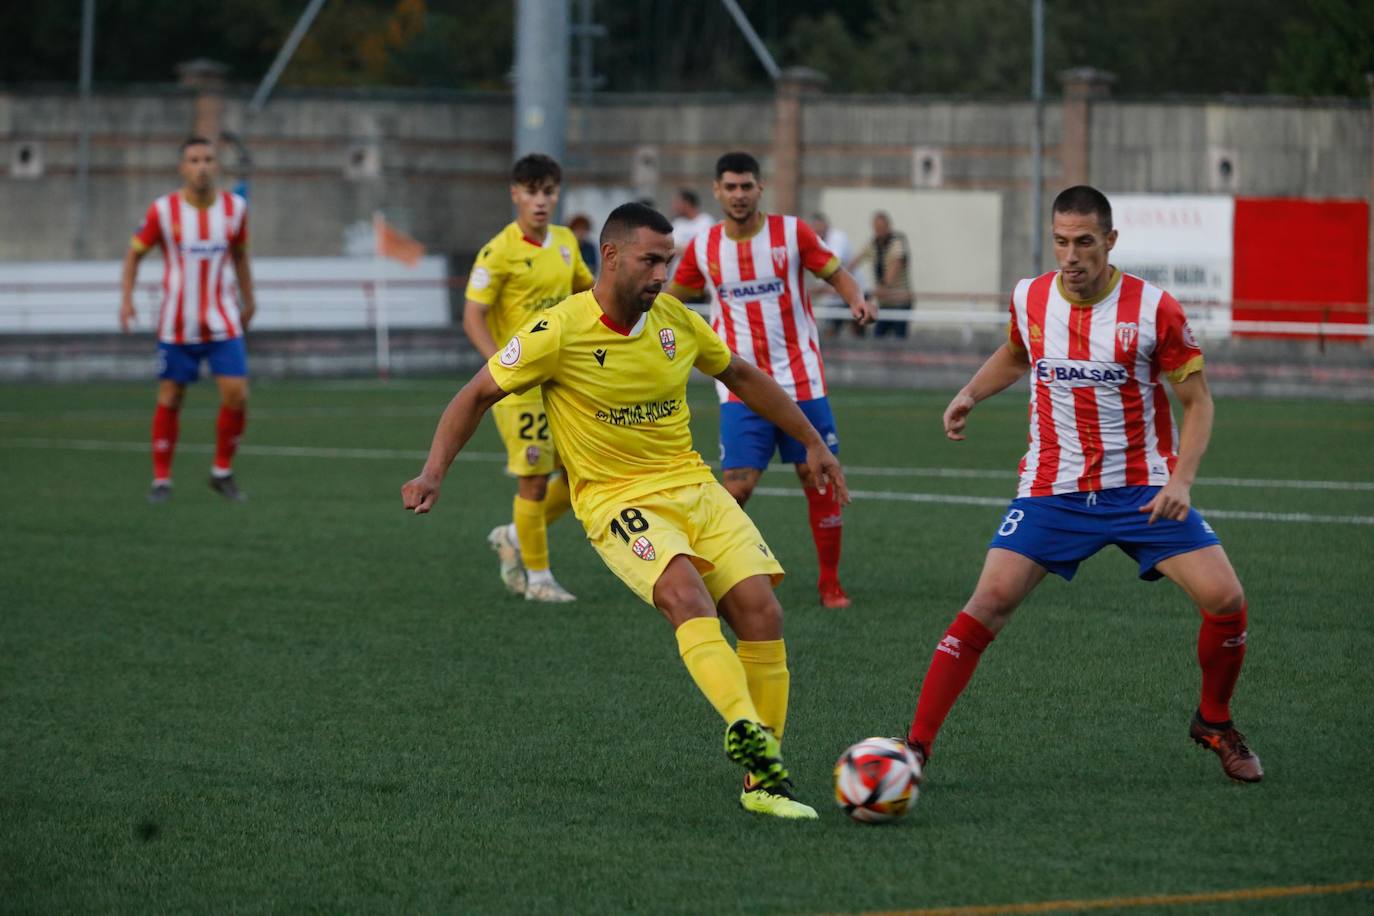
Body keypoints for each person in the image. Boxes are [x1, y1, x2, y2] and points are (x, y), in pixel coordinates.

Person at [404, 203, 847, 819]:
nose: (663, 274)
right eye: (651, 260)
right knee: (685, 597)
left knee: (762, 612)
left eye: (667, 260)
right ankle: (746, 727)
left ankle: (762, 784)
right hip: (618, 500)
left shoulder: (674, 321)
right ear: (610, 257)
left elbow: (743, 375)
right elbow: (476, 393)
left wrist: (814, 443)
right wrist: (433, 471)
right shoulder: (557, 330)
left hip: (694, 488)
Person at [902, 185, 1261, 784]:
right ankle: (914, 747)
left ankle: (1214, 722)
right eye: (1062, 242)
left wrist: (1182, 479)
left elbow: (1197, 403)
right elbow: (1018, 354)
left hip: (1141, 489)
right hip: (1053, 488)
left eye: (1085, 242)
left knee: (1226, 600)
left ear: (1110, 241)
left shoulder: (1155, 310)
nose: (1071, 255)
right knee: (986, 604)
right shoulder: (1031, 296)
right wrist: (970, 393)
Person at [669, 152, 876, 609]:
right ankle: (711, 572)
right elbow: (668, 299)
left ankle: (830, 584)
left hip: (802, 380)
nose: (739, 195)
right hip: (739, 385)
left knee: (816, 476)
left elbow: (836, 273)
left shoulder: (792, 233)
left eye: (747, 186)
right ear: (717, 191)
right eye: (731, 187)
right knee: (737, 486)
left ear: (760, 189)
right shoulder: (704, 248)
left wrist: (857, 300)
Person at [463, 154, 595, 603]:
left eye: (549, 192)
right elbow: (473, 316)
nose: (541, 202)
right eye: (532, 192)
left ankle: (515, 536)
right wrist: (499, 363)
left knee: (581, 475)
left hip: (564, 382)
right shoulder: (499, 251)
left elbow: (587, 294)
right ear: (515, 194)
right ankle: (538, 580)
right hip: (521, 388)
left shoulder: (564, 241)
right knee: (534, 480)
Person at [119, 136, 256, 503]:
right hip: (177, 323)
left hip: (223, 320)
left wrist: (250, 298)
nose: (202, 166)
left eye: (208, 159)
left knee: (237, 394)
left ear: (217, 165)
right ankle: (161, 479)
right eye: (194, 159)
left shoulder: (235, 208)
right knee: (171, 396)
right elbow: (134, 255)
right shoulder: (163, 211)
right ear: (182, 167)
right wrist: (126, 300)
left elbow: (241, 256)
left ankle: (222, 471)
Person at [849, 211, 912, 338]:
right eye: (876, 229)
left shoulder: (897, 241)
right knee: (878, 337)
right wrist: (837, 277)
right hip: (884, 302)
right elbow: (856, 260)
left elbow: (897, 263)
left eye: (882, 228)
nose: (879, 232)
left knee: (899, 340)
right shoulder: (873, 244)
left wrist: (883, 286)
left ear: (888, 227)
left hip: (900, 301)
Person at [807, 213, 856, 336]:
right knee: (830, 331)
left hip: (852, 291)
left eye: (817, 227)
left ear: (825, 225)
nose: (816, 231)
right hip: (834, 297)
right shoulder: (817, 240)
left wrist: (819, 289)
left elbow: (832, 266)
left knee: (857, 331)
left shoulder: (838, 237)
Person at [668, 188, 714, 278]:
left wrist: (682, 249)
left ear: (686, 203)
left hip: (700, 279)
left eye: (677, 203)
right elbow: (669, 249)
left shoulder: (706, 221)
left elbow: (706, 250)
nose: (674, 206)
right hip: (677, 279)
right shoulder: (677, 224)